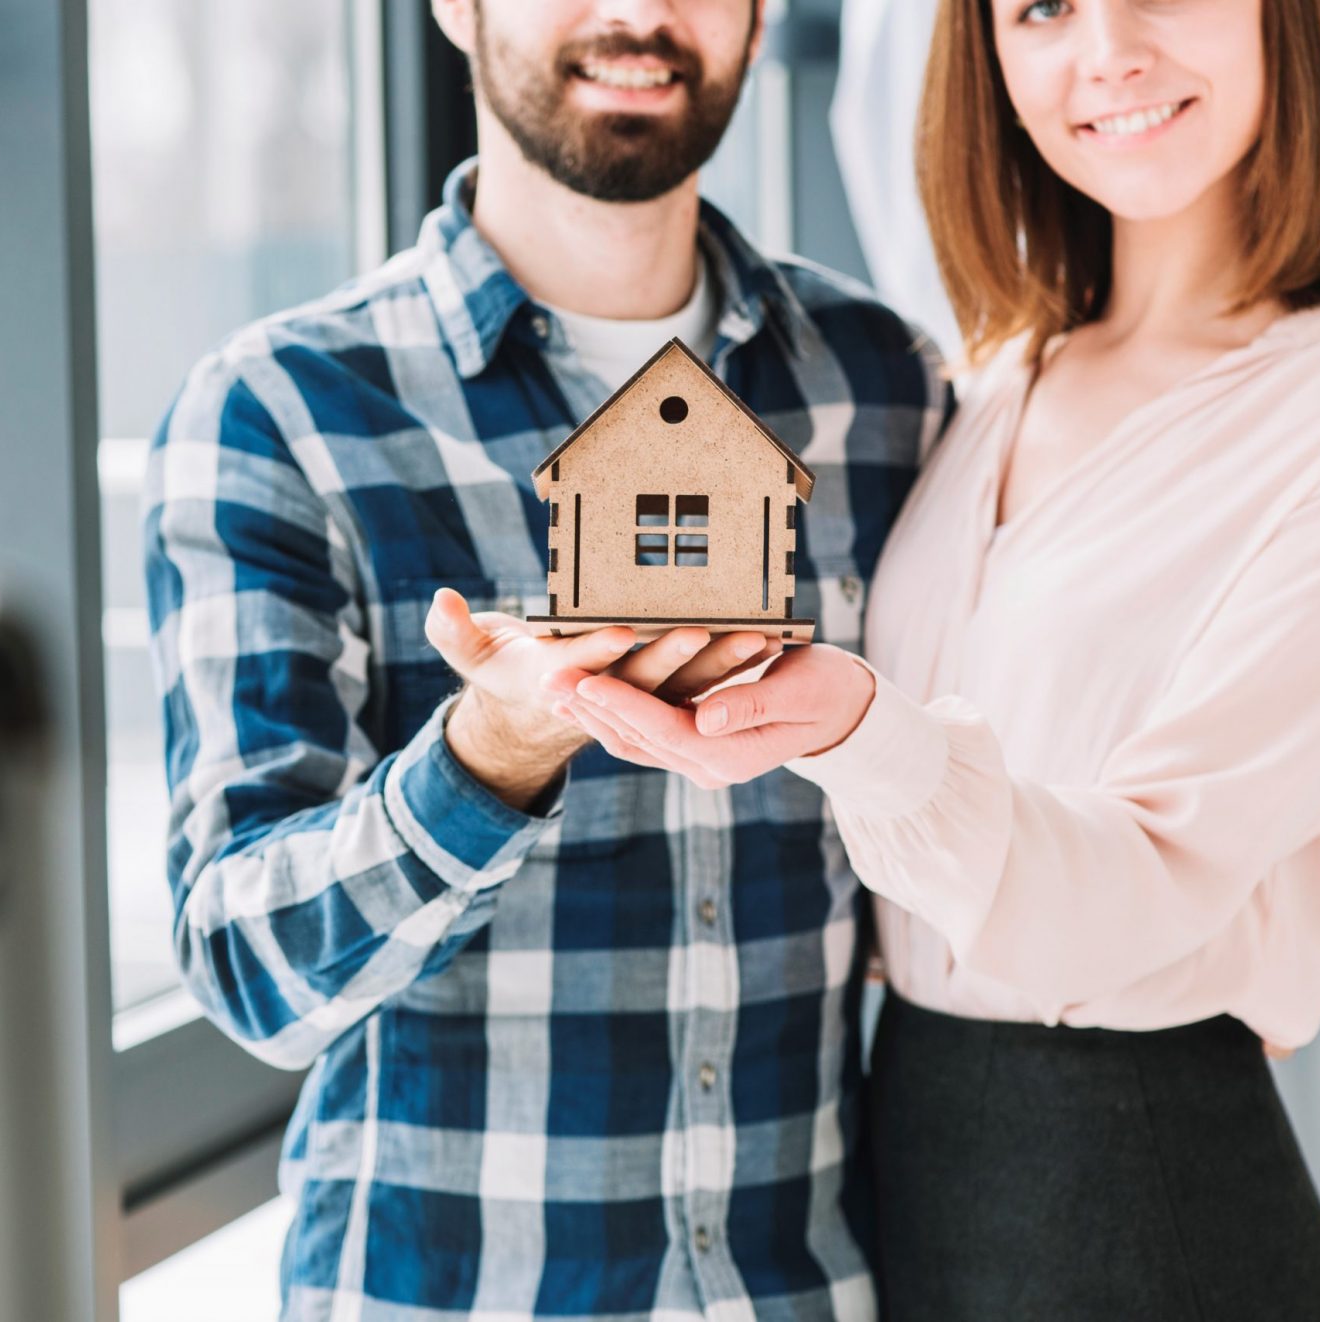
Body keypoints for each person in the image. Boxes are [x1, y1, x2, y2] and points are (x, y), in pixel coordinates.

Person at [543, 0, 1320, 1317]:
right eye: (1039, 6)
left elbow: (1142, 880)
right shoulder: (997, 378)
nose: (1108, 46)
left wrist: (854, 730)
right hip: (920, 1166)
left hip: (1143, 1194)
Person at [144, 0, 946, 1314]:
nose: (639, 13)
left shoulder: (886, 390)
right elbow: (251, 972)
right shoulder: (282, 412)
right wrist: (484, 758)